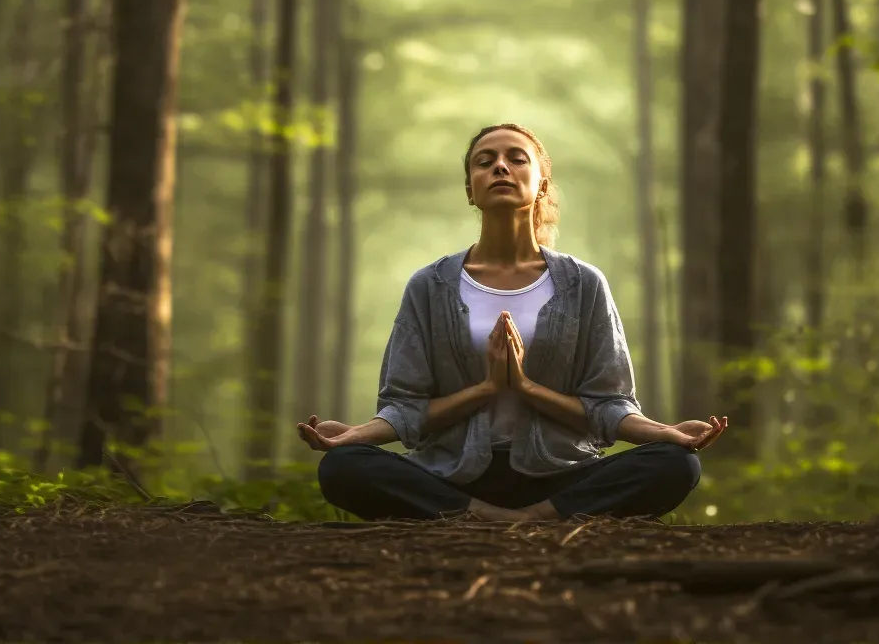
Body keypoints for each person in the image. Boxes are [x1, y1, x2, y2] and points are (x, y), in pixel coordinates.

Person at [297, 123, 728, 522]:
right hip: (451, 475)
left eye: (516, 158)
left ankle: (536, 515)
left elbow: (607, 406)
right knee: (342, 467)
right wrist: (358, 435)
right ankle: (482, 515)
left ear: (542, 182)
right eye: (484, 162)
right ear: (470, 189)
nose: (500, 166)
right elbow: (407, 408)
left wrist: (663, 432)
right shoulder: (430, 285)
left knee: (676, 464)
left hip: (561, 474)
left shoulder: (582, 284)